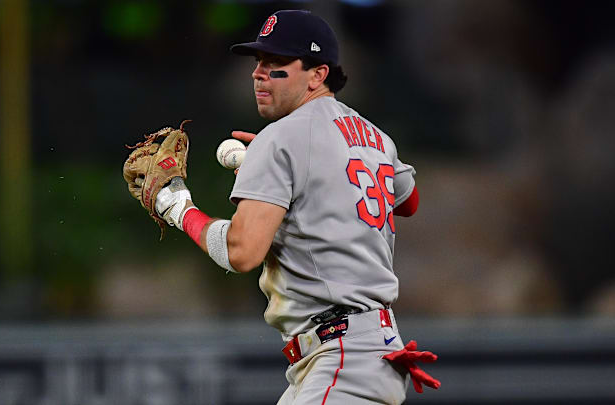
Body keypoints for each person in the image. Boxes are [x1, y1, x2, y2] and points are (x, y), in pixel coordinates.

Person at [152, 9, 439, 404]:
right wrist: (303, 175)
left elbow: (241, 251)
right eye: (258, 62)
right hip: (364, 353)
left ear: (318, 74)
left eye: (277, 63)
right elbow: (408, 202)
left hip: (342, 359)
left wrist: (178, 208)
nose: (259, 73)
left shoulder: (281, 138)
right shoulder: (374, 136)